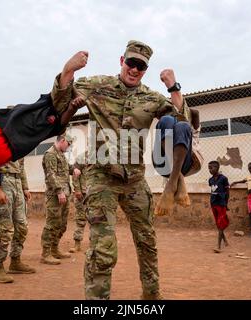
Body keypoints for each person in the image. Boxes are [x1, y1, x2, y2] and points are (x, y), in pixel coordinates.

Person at [51, 40, 190, 300]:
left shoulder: (151, 97)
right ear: (121, 61)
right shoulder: (97, 85)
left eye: (141, 66)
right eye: (131, 63)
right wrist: (68, 69)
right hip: (101, 177)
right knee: (103, 248)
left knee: (147, 241)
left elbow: (183, 122)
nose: (135, 69)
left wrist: (173, 86)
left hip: (135, 179)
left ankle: (152, 296)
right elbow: (60, 98)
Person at [0, 157, 35, 283]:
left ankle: (15, 261)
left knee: (22, 226)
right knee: (4, 228)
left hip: (17, 182)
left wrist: (25, 187)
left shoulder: (19, 140)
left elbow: (21, 165)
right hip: (3, 181)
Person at [152, 107, 204, 216]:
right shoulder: (166, 122)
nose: (175, 117)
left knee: (183, 126)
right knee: (166, 120)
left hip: (189, 163)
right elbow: (160, 115)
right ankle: (175, 179)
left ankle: (171, 184)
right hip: (162, 163)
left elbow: (195, 112)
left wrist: (180, 106)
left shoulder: (191, 128)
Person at [40, 134, 80, 265]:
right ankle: (45, 254)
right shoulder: (50, 154)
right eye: (68, 144)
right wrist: (59, 191)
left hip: (65, 194)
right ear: (62, 141)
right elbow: (51, 175)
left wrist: (73, 169)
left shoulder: (60, 154)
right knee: (52, 224)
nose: (69, 147)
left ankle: (54, 249)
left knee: (62, 224)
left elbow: (66, 168)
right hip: (55, 195)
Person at [208, 161, 230, 253]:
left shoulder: (223, 178)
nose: (210, 170)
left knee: (221, 223)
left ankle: (218, 246)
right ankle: (225, 240)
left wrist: (226, 203)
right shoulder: (211, 180)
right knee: (218, 223)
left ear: (217, 168)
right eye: (209, 168)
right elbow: (212, 190)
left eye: (211, 168)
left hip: (221, 203)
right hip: (213, 203)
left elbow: (227, 192)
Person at [69, 151, 88, 253]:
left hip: (96, 194)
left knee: (97, 220)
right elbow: (75, 174)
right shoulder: (82, 157)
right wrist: (77, 189)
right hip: (82, 194)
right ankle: (77, 244)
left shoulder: (103, 157)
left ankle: (94, 246)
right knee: (80, 219)